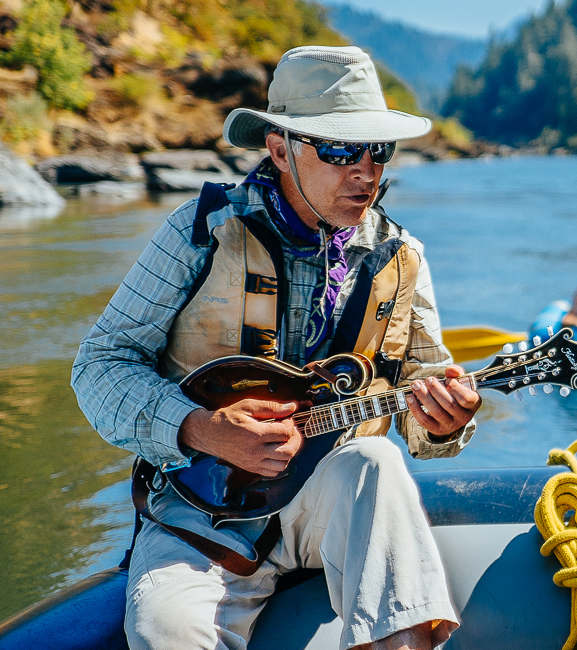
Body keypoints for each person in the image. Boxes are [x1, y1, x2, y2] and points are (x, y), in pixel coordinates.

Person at [71, 46, 479, 650]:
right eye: (340, 149)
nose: (365, 171)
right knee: (165, 630)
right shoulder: (201, 229)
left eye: (378, 150)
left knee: (377, 462)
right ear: (280, 149)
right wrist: (202, 428)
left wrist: (445, 425)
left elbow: (422, 420)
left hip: (333, 499)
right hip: (200, 506)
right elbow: (99, 367)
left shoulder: (402, 257)